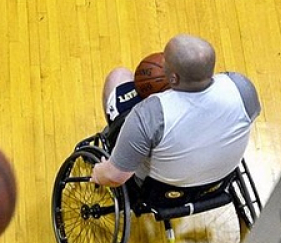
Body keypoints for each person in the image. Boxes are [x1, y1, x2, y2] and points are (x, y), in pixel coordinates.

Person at [92, 34, 261, 201]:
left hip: (159, 191)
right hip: (218, 182)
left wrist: (99, 173)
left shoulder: (150, 114)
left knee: (119, 76)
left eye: (164, 60)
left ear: (173, 78)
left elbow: (115, 177)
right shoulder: (241, 88)